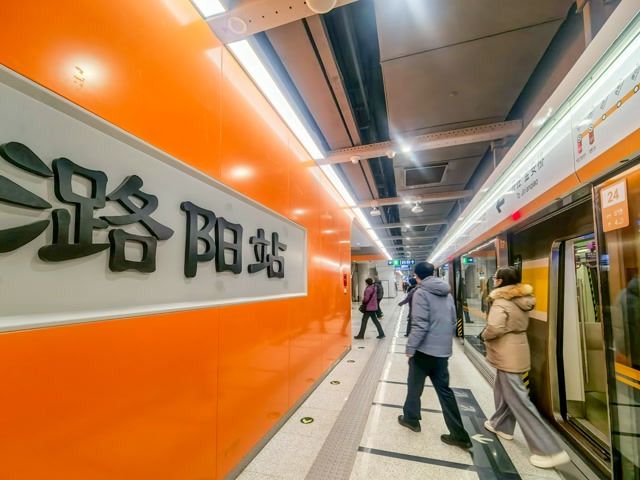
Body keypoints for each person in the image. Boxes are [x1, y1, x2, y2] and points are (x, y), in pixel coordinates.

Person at [482, 266, 570, 469]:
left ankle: (548, 450)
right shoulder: (523, 299)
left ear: (500, 281)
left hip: (505, 351)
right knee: (505, 390)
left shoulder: (501, 301)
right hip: (519, 348)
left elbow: (495, 327)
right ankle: (501, 425)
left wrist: (485, 335)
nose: (493, 280)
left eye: (495, 278)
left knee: (519, 399)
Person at [398, 262, 471, 449]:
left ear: (417, 276)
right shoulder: (447, 293)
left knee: (414, 387)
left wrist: (411, 348)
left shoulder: (421, 293)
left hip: (423, 352)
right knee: (445, 392)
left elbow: (420, 324)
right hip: (442, 352)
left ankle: (411, 419)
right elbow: (453, 320)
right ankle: (459, 435)